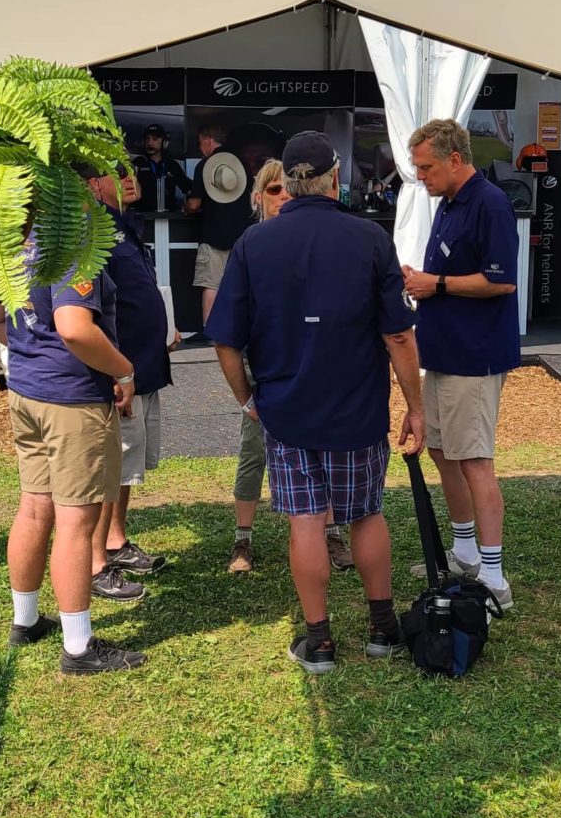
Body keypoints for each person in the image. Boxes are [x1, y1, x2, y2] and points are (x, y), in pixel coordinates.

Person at [207, 131, 425, 674]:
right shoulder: (369, 238)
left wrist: (247, 400)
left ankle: (319, 642)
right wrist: (416, 406)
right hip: (358, 409)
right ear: (334, 178)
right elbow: (399, 335)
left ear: (289, 180)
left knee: (305, 521)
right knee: (366, 514)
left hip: (286, 411)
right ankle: (382, 629)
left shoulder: (254, 244)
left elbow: (225, 340)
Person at [0, 217, 147, 675]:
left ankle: (26, 620)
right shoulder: (74, 239)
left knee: (35, 507)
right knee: (76, 520)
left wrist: (33, 352)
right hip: (72, 400)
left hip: (27, 393)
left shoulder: (18, 236)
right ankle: (78, 647)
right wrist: (124, 370)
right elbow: (74, 328)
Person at [402, 118, 519, 611]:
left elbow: (502, 280)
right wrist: (424, 281)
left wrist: (436, 284)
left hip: (474, 356)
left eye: (426, 167)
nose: (420, 176)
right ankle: (466, 551)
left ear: (454, 159)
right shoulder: (449, 202)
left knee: (473, 459)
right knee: (442, 451)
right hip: (444, 352)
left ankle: (493, 578)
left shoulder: (490, 203)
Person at [227, 159, 354, 575]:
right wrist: (245, 392)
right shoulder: (250, 246)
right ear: (257, 198)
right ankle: (242, 540)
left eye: (286, 188)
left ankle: (330, 533)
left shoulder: (313, 240)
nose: (281, 196)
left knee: (324, 450)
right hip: (267, 370)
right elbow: (232, 322)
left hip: (318, 366)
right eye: (272, 190)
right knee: (254, 451)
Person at [85, 163, 179, 583]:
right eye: (116, 171)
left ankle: (115, 540)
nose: (129, 177)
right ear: (94, 185)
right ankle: (97, 557)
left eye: (131, 170)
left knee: (128, 466)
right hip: (121, 373)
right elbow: (92, 310)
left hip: (145, 366)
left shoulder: (125, 224)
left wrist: (165, 324)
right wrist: (113, 370)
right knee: (112, 465)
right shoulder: (94, 231)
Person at [186, 136, 255, 331]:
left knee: (211, 284)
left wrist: (186, 207)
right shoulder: (243, 165)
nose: (200, 149)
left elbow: (194, 204)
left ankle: (210, 330)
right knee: (242, 286)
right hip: (242, 236)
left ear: (207, 141)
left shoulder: (206, 165)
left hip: (214, 235)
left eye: (200, 144)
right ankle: (241, 329)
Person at [133, 123, 191, 213]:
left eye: (155, 139)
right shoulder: (138, 163)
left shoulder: (172, 165)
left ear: (165, 143)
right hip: (143, 216)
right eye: (147, 139)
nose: (150, 142)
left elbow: (187, 187)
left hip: (169, 216)